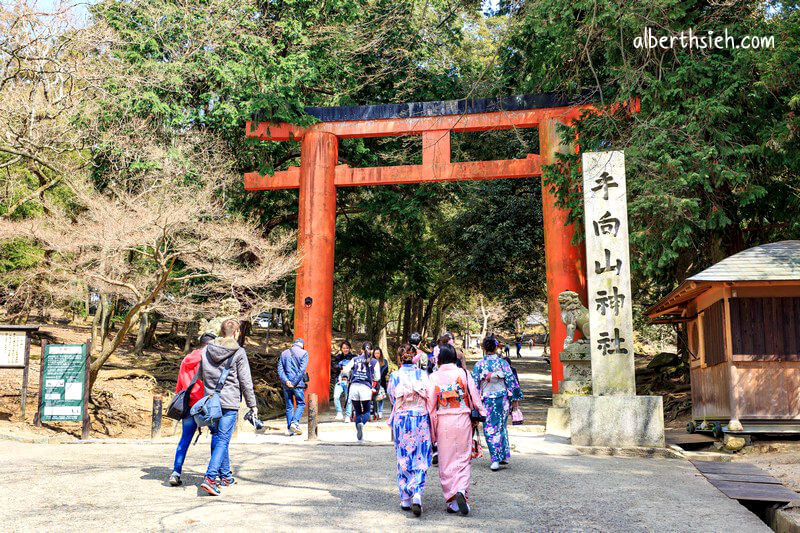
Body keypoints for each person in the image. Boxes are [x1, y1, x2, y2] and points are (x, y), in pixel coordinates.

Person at [199, 320, 257, 496]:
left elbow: (202, 373)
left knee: (217, 437)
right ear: (236, 332)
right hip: (229, 401)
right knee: (223, 439)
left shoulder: (207, 349)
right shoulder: (239, 352)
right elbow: (245, 381)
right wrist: (252, 404)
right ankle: (210, 478)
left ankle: (225, 476)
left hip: (210, 400)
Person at [427, 344, 486, 516]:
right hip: (463, 419)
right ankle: (461, 490)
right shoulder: (464, 374)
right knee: (462, 457)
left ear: (438, 359)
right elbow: (474, 396)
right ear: (454, 357)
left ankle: (451, 498)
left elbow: (431, 405)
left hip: (444, 419)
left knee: (446, 460)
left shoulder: (433, 377)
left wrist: (432, 430)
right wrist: (481, 413)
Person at [387, 343, 432, 516]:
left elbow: (392, 397)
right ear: (414, 357)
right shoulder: (422, 374)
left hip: (402, 419)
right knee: (421, 455)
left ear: (399, 358)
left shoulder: (395, 376)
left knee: (403, 456)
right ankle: (417, 493)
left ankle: (405, 497)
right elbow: (429, 394)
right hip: (420, 418)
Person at [168, 332, 214, 487]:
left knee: (185, 438)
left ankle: (176, 472)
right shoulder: (208, 358)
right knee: (217, 437)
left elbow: (180, 383)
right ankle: (216, 474)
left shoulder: (186, 359)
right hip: (204, 404)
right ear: (209, 345)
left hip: (188, 404)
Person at [472, 336, 523, 471]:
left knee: (490, 428)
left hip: (487, 400)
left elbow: (475, 385)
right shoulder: (503, 363)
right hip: (503, 399)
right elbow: (512, 382)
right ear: (496, 348)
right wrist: (515, 399)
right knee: (501, 426)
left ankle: (496, 458)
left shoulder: (479, 365)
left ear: (483, 348)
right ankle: (502, 455)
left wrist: (474, 403)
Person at [344, 341, 379, 441]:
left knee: (358, 412)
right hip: (365, 388)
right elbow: (377, 377)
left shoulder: (355, 359)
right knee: (367, 411)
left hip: (354, 387)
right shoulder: (374, 362)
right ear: (371, 350)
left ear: (362, 350)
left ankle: (359, 436)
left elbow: (345, 370)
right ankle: (362, 424)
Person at [278, 338, 309, 435]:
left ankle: (289, 429)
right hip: (298, 384)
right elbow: (301, 370)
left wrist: (286, 381)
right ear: (302, 345)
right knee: (301, 403)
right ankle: (295, 422)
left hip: (286, 384)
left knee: (289, 406)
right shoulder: (304, 353)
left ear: (293, 344)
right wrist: (294, 382)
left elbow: (280, 369)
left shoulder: (284, 353)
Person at [333, 341, 355, 421]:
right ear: (341, 349)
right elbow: (334, 366)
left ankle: (348, 416)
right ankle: (339, 412)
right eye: (344, 348)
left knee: (348, 398)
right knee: (336, 396)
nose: (345, 349)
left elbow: (355, 368)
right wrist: (341, 368)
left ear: (350, 348)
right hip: (339, 380)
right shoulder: (338, 357)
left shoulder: (353, 357)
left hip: (349, 381)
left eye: (347, 348)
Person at [372, 346, 391, 420]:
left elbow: (385, 371)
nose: (377, 354)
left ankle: (380, 412)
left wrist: (379, 376)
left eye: (378, 353)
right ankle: (375, 412)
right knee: (373, 398)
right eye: (375, 353)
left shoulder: (384, 361)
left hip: (381, 382)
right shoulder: (371, 361)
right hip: (373, 382)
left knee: (381, 398)